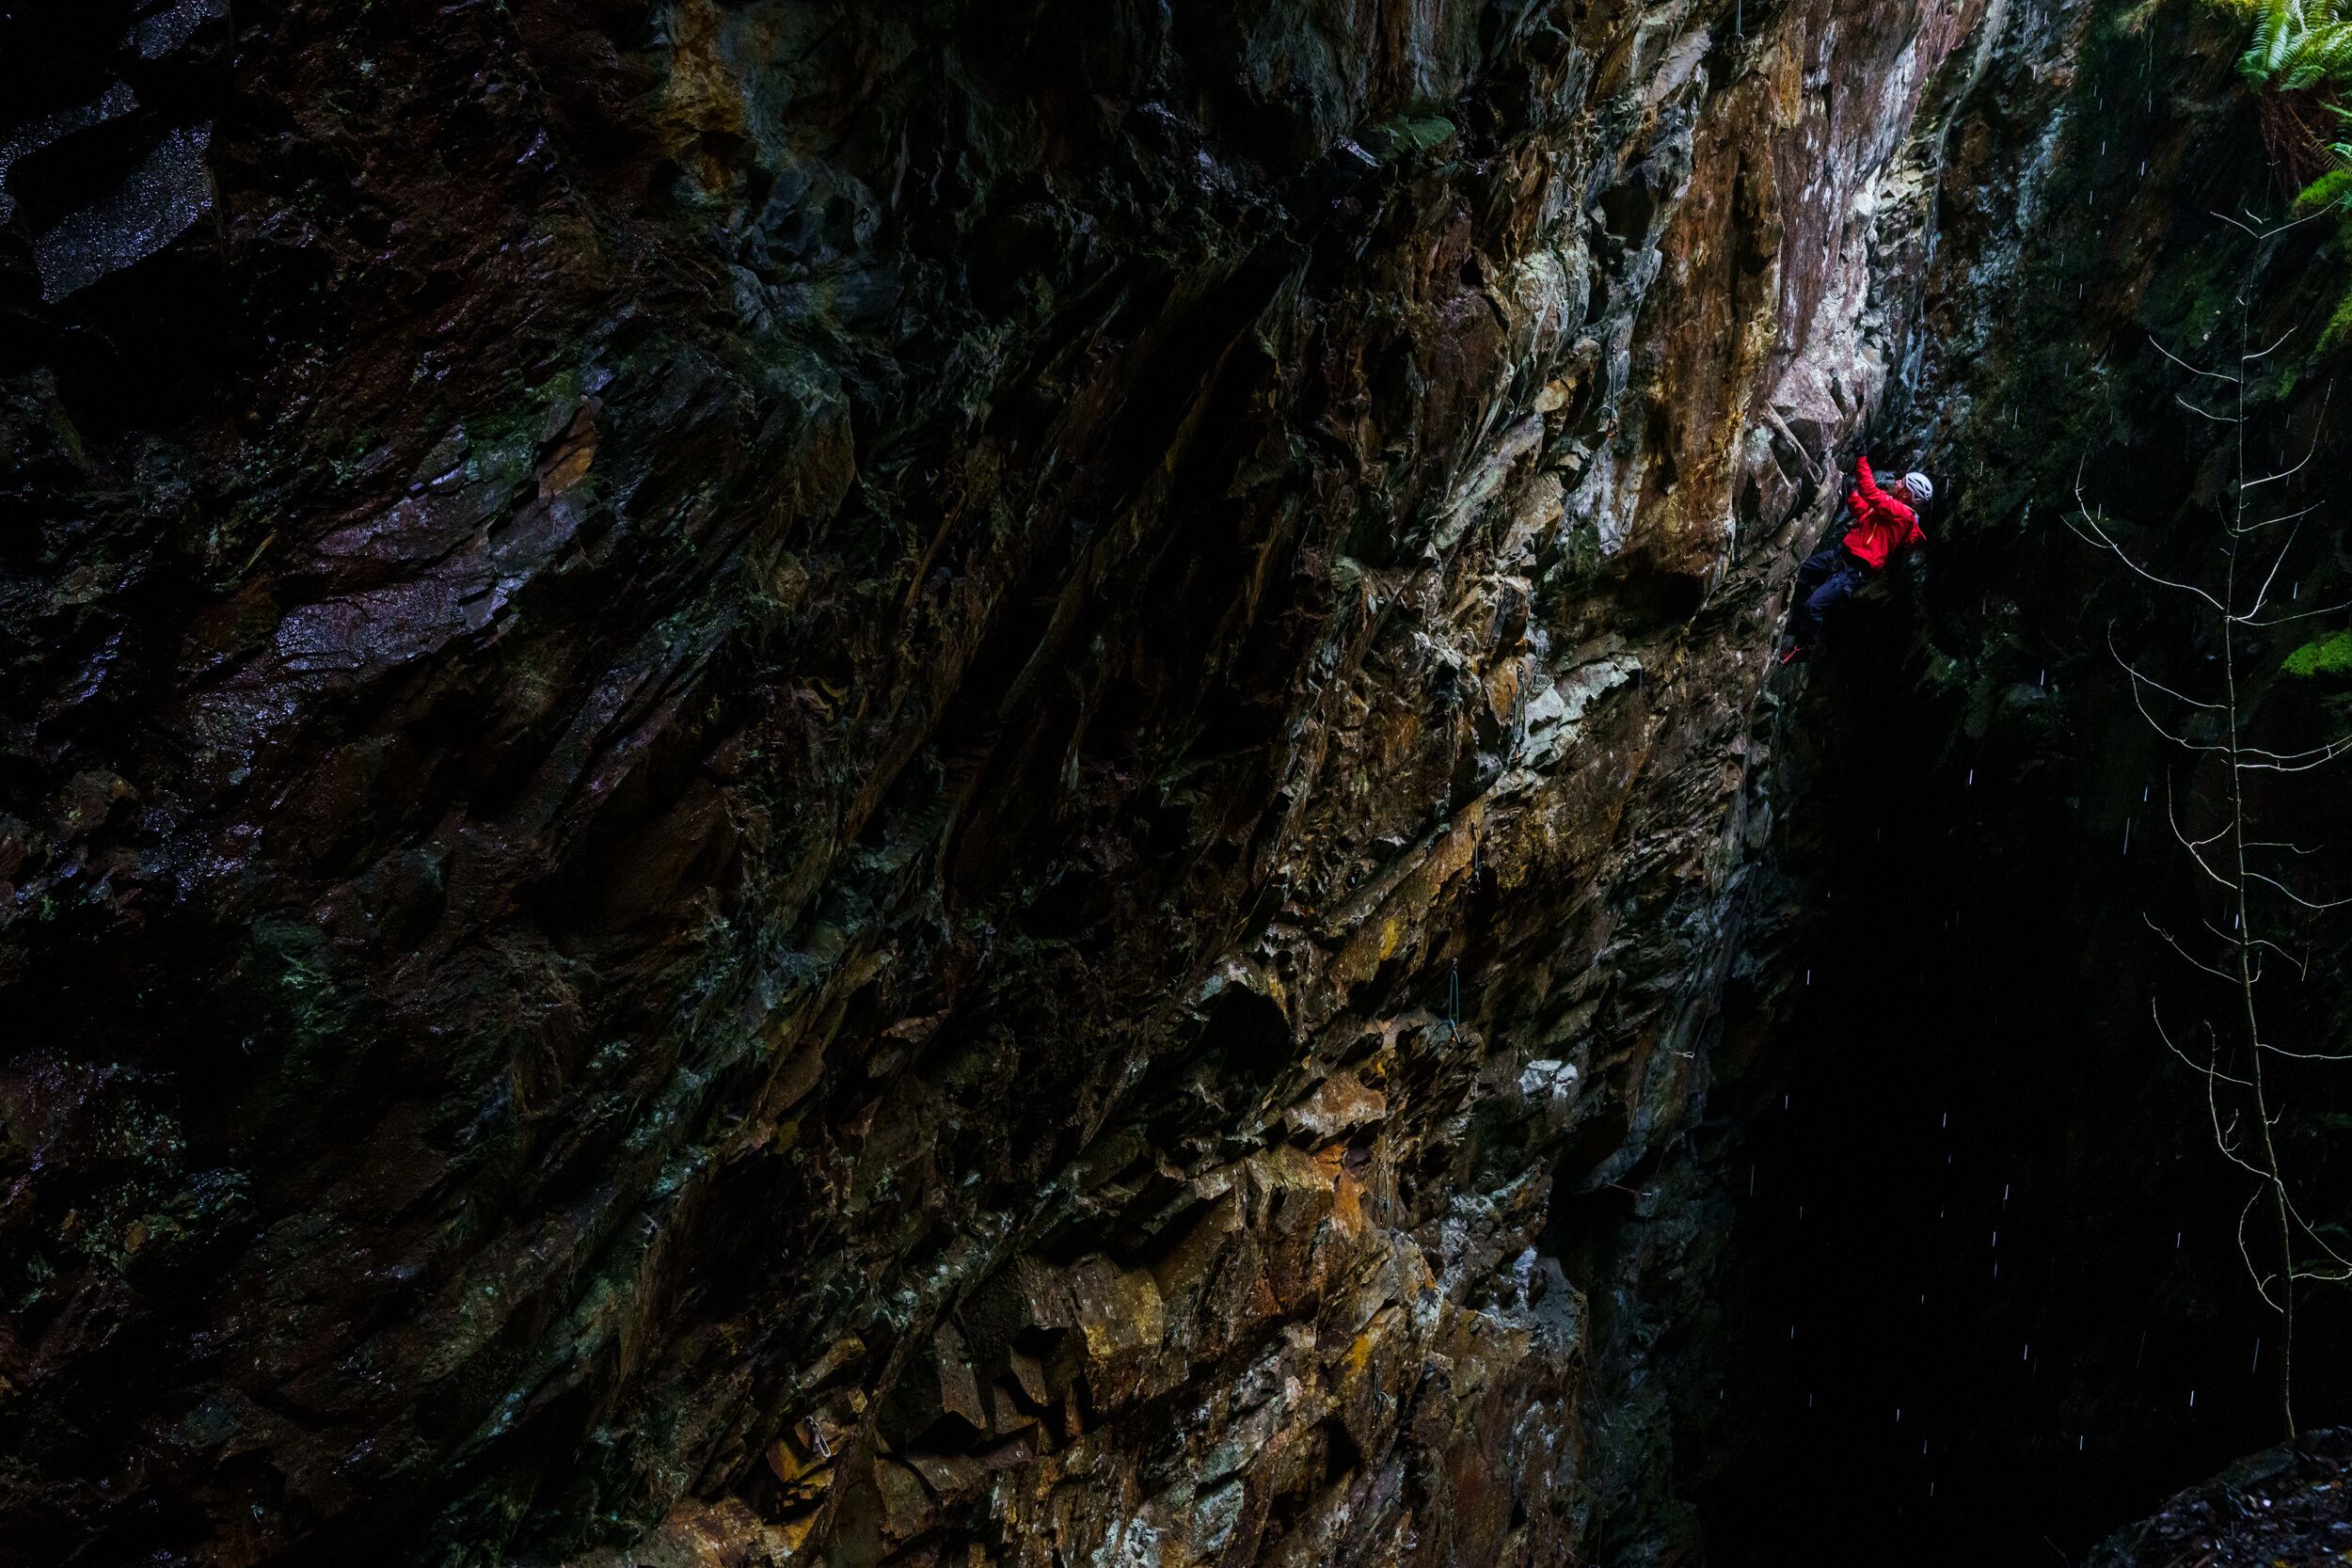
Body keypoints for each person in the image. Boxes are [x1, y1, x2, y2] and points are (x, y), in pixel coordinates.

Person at [1779, 454, 1931, 663]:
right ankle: (1797, 624)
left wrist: (1861, 457)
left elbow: (1871, 494)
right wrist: (1851, 493)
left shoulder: (1903, 515)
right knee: (1802, 573)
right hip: (1841, 557)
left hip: (1852, 571)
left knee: (1815, 605)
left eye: (1901, 482)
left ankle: (1805, 649)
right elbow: (1863, 513)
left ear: (1907, 493)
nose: (1896, 482)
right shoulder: (1893, 512)